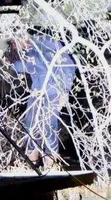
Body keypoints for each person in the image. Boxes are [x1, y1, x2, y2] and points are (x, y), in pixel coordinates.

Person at [9, 32, 76, 168]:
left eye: (15, 44)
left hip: (53, 92)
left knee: (49, 126)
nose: (15, 48)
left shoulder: (47, 42)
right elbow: (26, 66)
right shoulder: (30, 51)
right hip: (37, 92)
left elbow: (68, 66)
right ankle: (32, 164)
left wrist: (64, 90)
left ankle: (49, 165)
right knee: (30, 124)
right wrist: (5, 63)